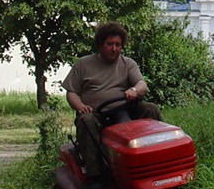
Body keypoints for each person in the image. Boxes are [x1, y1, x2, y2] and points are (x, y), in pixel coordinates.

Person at [62, 22, 162, 177]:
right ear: (100, 44)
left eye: (118, 45)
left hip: (125, 109)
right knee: (86, 120)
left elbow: (142, 85)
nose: (114, 49)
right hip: (96, 113)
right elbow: (71, 92)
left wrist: (134, 90)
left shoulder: (128, 63)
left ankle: (156, 161)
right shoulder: (83, 64)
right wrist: (80, 106)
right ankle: (96, 173)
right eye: (110, 44)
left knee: (151, 109)